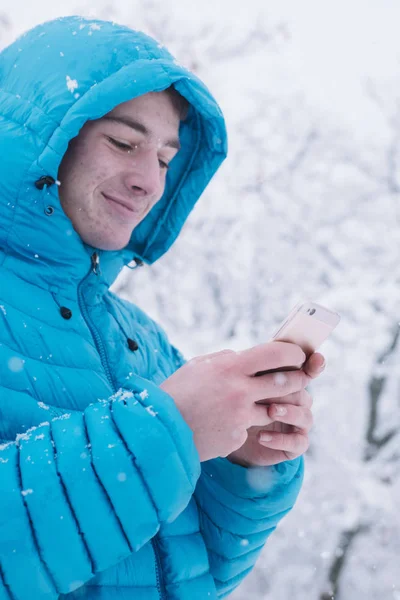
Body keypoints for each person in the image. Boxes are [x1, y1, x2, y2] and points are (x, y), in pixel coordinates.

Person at [0, 15, 325, 600]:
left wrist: (244, 464)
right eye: (124, 142)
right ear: (43, 141)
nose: (150, 181)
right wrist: (163, 433)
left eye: (166, 159)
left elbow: (196, 578)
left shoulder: (141, 339)